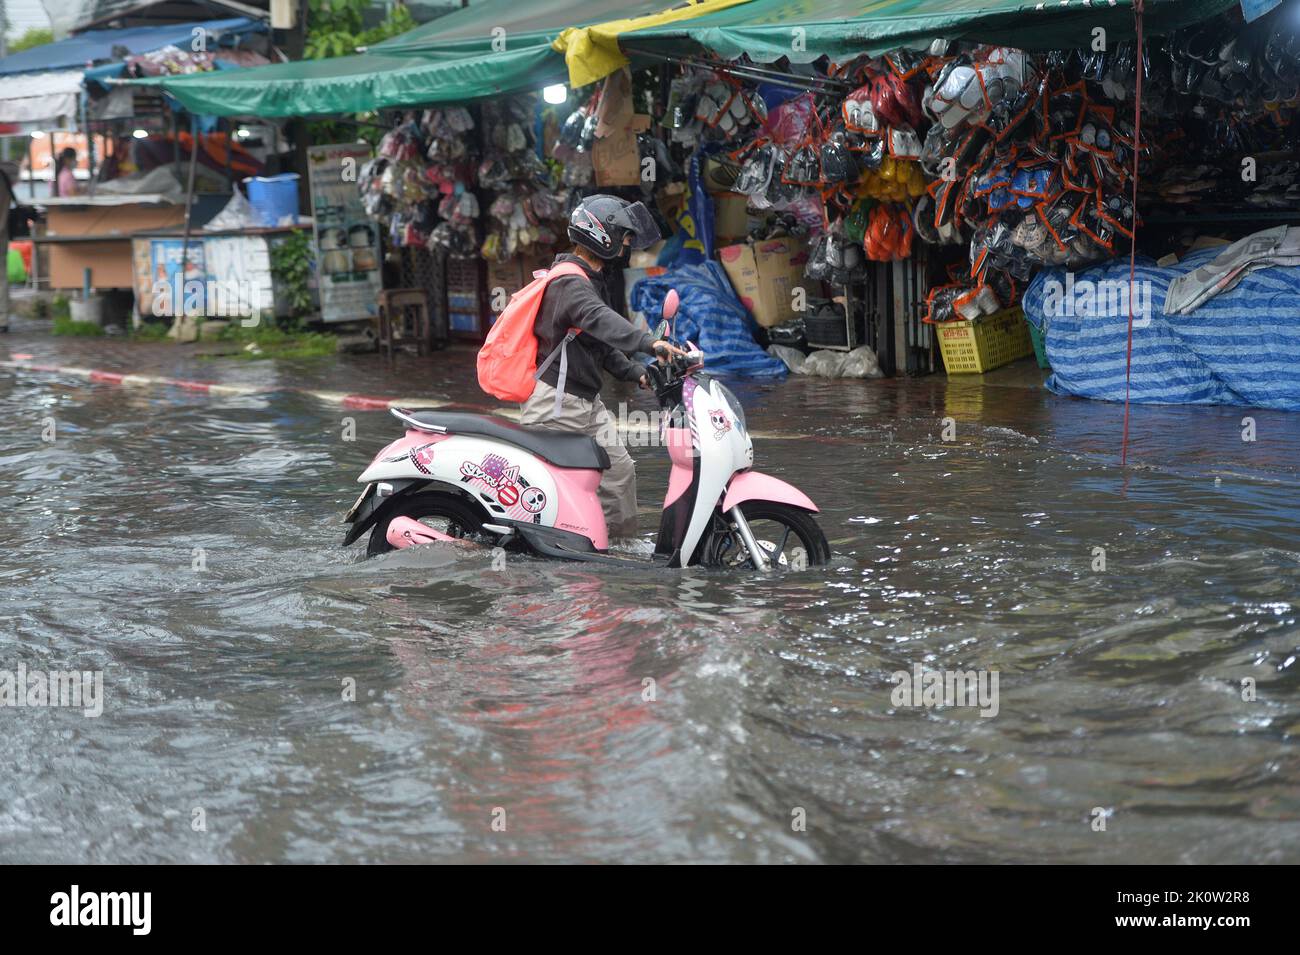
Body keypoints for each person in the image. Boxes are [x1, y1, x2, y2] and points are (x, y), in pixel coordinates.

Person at [518, 195, 686, 539]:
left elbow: (598, 344)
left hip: (585, 403)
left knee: (619, 471)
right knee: (559, 489)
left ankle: (617, 548)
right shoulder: (569, 283)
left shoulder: (590, 279)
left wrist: (638, 372)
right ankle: (551, 553)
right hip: (556, 405)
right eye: (624, 237)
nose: (627, 246)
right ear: (602, 235)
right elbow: (600, 320)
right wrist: (648, 343)